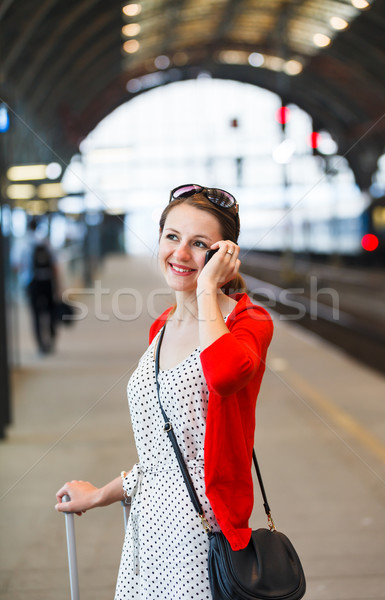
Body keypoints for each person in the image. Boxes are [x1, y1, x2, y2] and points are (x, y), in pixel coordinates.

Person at [55, 184, 274, 599]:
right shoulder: (161, 327)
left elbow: (225, 375)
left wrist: (208, 292)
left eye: (199, 244)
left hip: (201, 540)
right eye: (172, 237)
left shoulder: (250, 322)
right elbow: (163, 457)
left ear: (223, 255)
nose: (180, 253)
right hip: (147, 534)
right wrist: (103, 493)